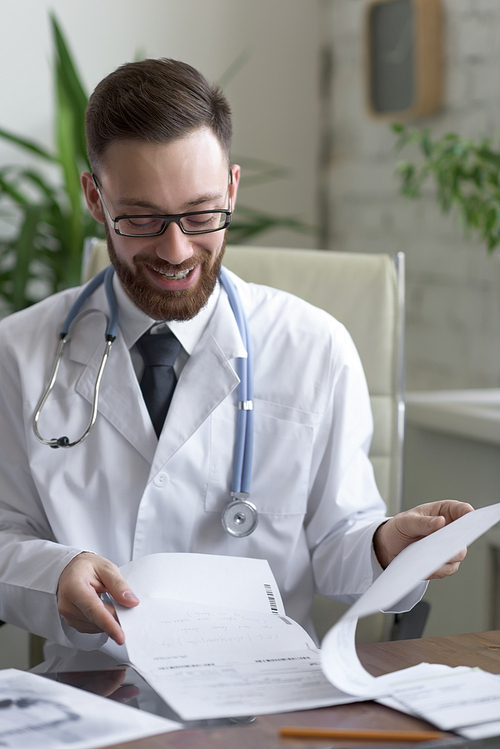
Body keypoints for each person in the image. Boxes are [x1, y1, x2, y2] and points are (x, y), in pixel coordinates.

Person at [0, 58, 472, 662]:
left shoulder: (315, 348)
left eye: (200, 215)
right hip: (97, 687)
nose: (176, 251)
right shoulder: (20, 352)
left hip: (264, 695)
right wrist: (55, 571)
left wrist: (386, 547)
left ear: (231, 188)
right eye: (142, 217)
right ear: (95, 197)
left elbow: (337, 546)